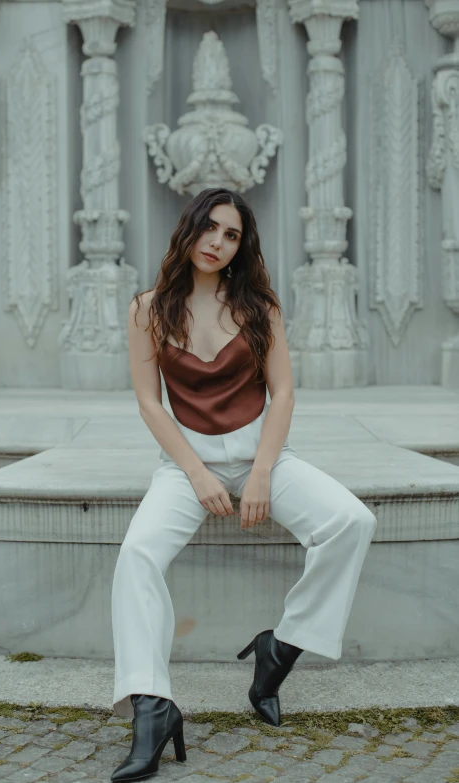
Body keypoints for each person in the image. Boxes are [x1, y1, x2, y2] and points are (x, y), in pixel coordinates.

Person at [110, 187, 377, 782]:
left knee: (351, 522)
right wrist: (198, 473)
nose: (217, 242)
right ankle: (152, 708)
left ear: (240, 246)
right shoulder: (147, 309)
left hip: (264, 457)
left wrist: (260, 473)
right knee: (136, 556)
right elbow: (150, 405)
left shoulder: (260, 306)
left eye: (231, 235)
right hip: (187, 465)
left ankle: (279, 648)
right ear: (189, 229)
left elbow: (282, 392)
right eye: (210, 228)